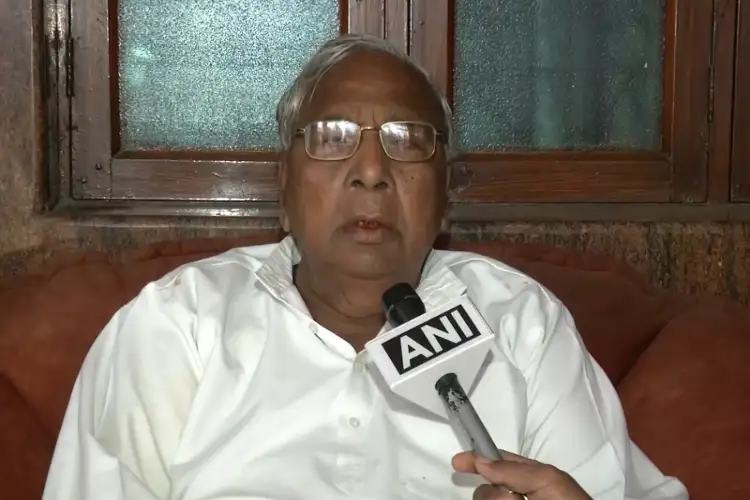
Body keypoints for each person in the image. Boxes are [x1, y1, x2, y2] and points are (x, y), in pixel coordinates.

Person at [42, 34, 688, 500]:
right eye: (332, 138)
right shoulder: (175, 324)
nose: (372, 172)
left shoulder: (522, 324)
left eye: (408, 141)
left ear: (446, 195)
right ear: (283, 189)